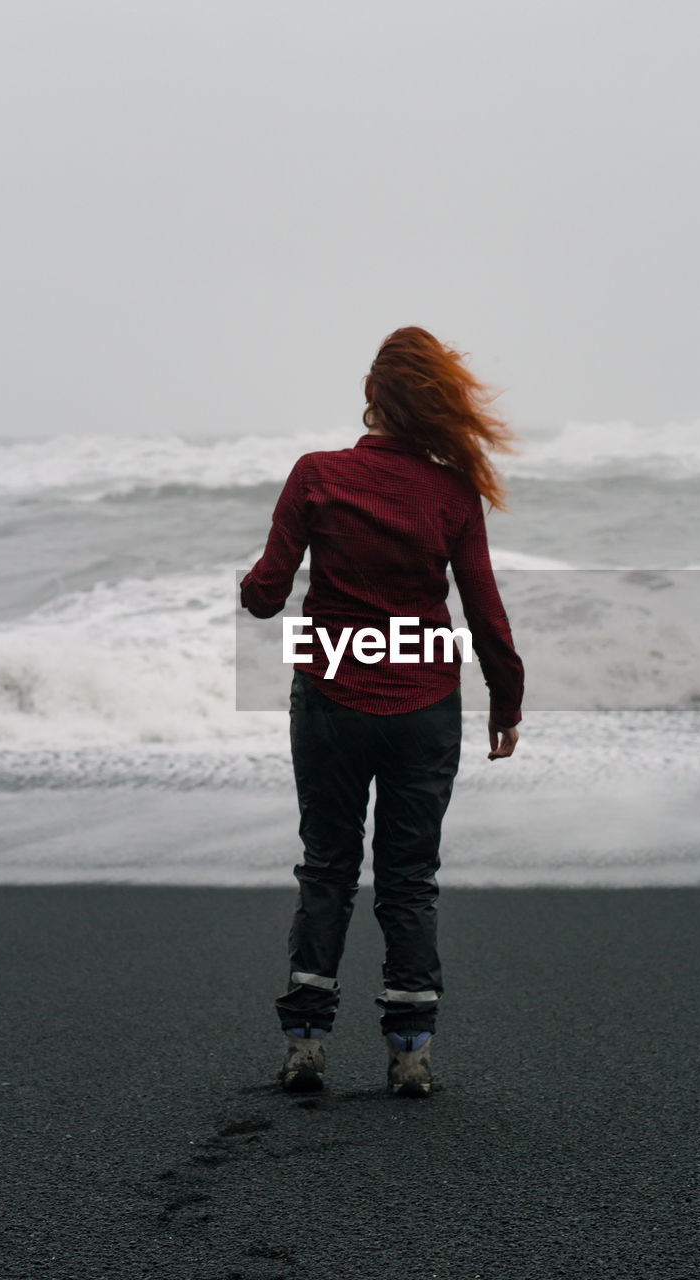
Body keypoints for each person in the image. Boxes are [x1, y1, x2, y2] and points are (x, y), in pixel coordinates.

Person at [240, 326, 524, 1097]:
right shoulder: (452, 493)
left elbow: (265, 598)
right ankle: (409, 1055)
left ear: (371, 401)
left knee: (328, 865)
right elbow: (485, 611)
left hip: (332, 697)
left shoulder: (315, 476)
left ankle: (305, 1045)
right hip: (427, 705)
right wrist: (506, 698)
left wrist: (253, 584)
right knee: (408, 878)